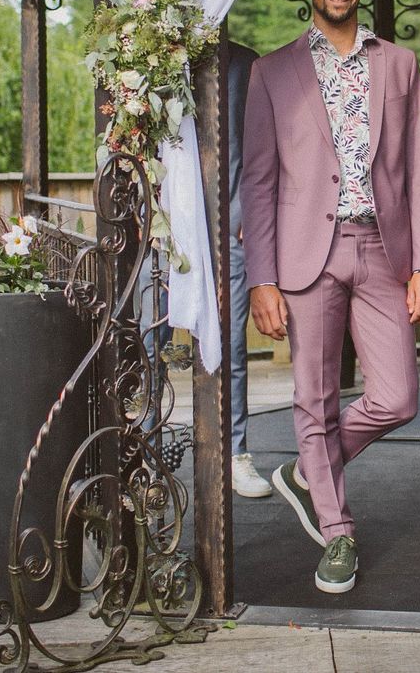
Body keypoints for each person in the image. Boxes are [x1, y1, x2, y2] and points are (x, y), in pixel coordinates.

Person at [242, 0, 420, 595]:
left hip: (384, 251)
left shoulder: (400, 65)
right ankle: (337, 533)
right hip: (306, 257)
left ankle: (309, 468)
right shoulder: (272, 72)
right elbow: (260, 184)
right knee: (314, 397)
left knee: (398, 397)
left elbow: (419, 169)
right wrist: (263, 279)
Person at [139, 40, 271, 498]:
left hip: (227, 227)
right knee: (146, 343)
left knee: (230, 343)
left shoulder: (244, 64)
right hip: (159, 228)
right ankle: (146, 454)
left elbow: (262, 149)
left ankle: (234, 453)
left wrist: (250, 216)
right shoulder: (144, 55)